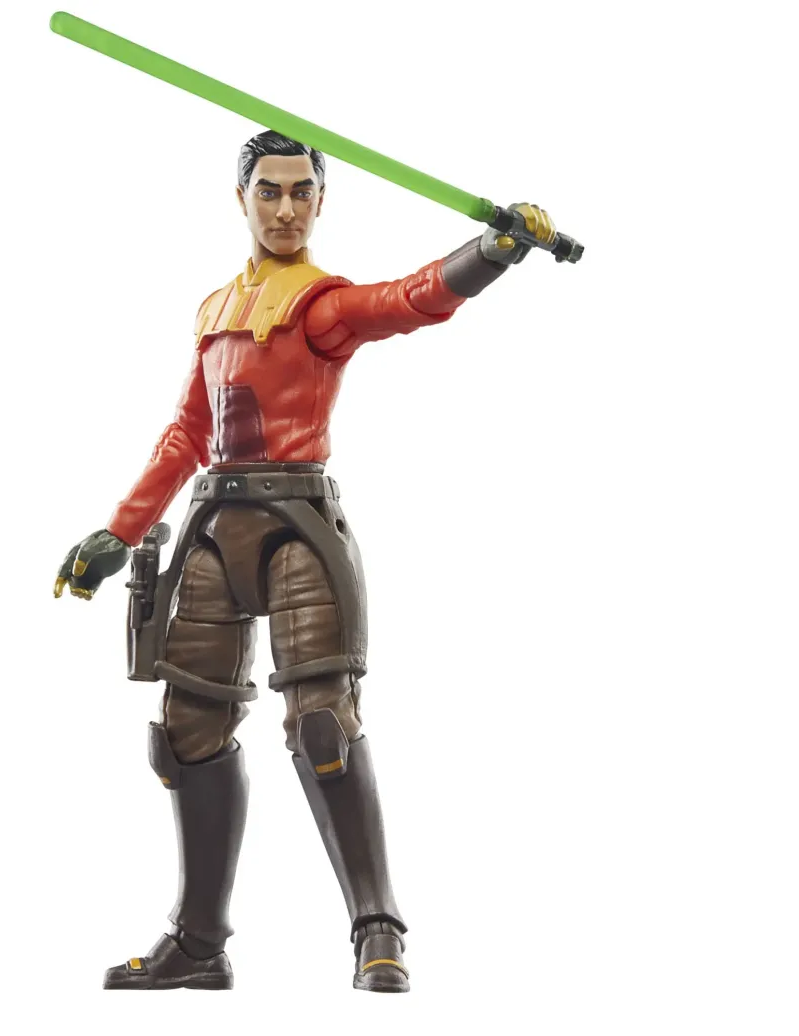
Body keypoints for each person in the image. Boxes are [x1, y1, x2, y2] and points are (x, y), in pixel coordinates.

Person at [55, 129, 556, 992]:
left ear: (321, 202)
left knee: (323, 721)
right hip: (214, 526)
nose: (285, 209)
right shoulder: (215, 310)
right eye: (269, 190)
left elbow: (409, 300)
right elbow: (187, 432)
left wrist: (491, 252)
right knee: (186, 731)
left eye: (300, 192)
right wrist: (121, 530)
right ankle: (199, 945)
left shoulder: (321, 306)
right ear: (241, 198)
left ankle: (377, 928)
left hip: (297, 526)